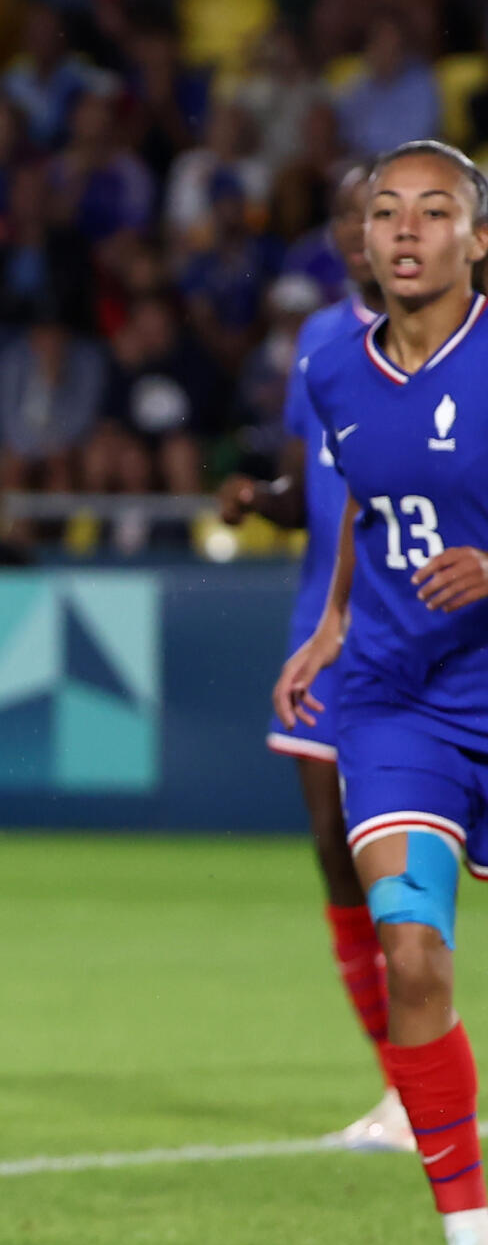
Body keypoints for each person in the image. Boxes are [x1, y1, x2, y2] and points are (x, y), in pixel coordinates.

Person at [276, 141, 488, 1245]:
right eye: (382, 214)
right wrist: (334, 620)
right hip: (395, 700)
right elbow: (368, 497)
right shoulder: (327, 366)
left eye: (433, 212)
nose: (403, 231)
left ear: (475, 238)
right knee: (410, 948)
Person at [222, 163, 410, 1155]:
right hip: (328, 631)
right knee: (340, 854)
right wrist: (258, 499)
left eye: (375, 213)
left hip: (442, 634)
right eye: (348, 215)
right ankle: (400, 1084)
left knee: (417, 862)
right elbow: (317, 490)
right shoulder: (320, 345)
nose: (357, 231)